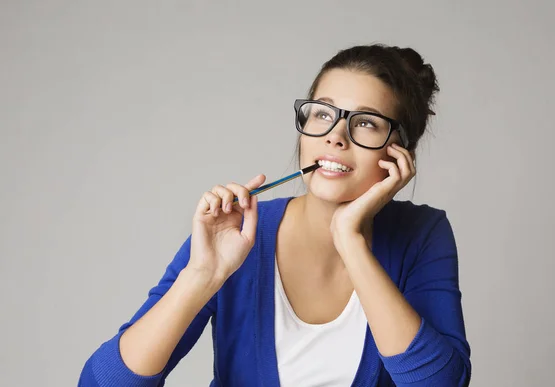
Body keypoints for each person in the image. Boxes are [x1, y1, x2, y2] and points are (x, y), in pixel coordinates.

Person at [78, 43, 471, 387]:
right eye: (322, 114)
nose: (336, 135)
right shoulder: (236, 231)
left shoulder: (422, 234)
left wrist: (351, 241)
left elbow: (441, 382)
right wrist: (203, 276)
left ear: (400, 154)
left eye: (366, 123)